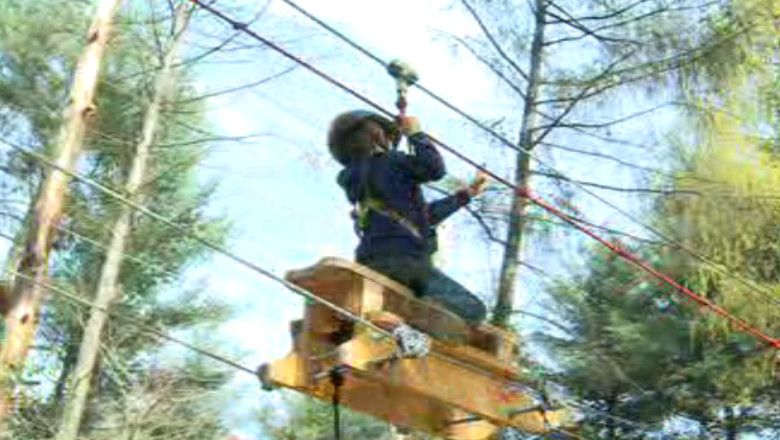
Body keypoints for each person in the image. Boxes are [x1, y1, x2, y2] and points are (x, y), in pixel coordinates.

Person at [327, 110, 488, 325]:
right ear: (377, 135)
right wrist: (416, 134)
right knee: (473, 309)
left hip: (371, 262)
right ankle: (410, 321)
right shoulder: (392, 162)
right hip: (406, 262)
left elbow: (423, 217)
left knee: (428, 297)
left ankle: (401, 319)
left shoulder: (356, 182)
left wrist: (467, 194)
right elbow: (434, 169)